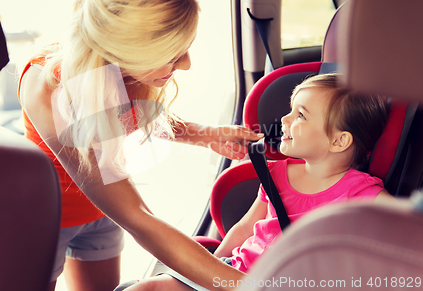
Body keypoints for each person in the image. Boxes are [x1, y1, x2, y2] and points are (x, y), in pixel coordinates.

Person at [18, 0, 262, 291]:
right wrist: (248, 286)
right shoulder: (50, 87)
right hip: (47, 218)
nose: (186, 65)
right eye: (174, 56)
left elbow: (134, 116)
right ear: (128, 49)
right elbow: (139, 218)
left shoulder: (125, 70)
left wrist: (206, 135)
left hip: (100, 213)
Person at [125, 73, 393, 290]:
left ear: (339, 141)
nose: (284, 120)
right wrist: (211, 266)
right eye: (291, 110)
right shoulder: (276, 173)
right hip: (233, 274)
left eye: (300, 115)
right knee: (146, 288)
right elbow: (244, 229)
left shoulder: (361, 193)